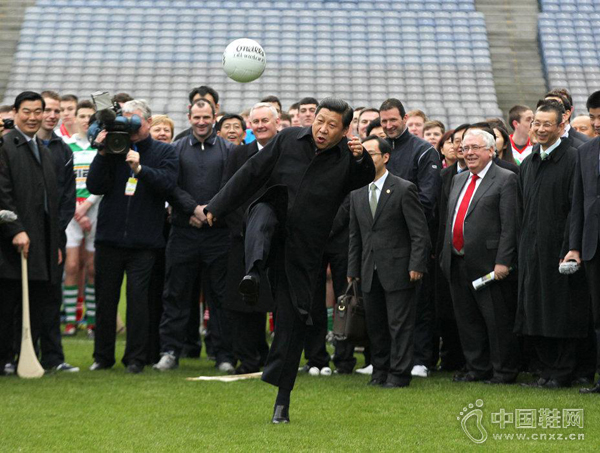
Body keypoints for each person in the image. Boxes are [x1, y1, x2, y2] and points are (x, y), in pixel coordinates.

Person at [205, 98, 375, 423]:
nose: (322, 129)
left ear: (345, 131)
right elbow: (251, 172)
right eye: (320, 121)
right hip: (271, 222)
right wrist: (217, 205)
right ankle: (254, 273)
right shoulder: (287, 139)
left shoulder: (347, 158)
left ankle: (281, 401)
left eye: (332, 125)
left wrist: (361, 156)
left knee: (294, 319)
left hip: (305, 246)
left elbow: (364, 177)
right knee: (263, 210)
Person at [87, 99, 178, 374]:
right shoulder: (114, 148)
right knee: (105, 301)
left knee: (139, 302)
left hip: (144, 241)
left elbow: (168, 184)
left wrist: (141, 170)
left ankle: (136, 358)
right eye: (125, 119)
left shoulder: (164, 151)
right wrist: (102, 153)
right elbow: (95, 185)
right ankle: (102, 357)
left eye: (134, 119)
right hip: (109, 238)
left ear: (148, 122)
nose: (130, 125)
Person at [154, 99, 235, 373]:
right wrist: (192, 209)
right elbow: (170, 185)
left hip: (218, 235)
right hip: (183, 233)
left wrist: (211, 211)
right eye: (196, 117)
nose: (201, 122)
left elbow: (231, 186)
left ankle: (222, 354)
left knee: (220, 296)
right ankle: (170, 351)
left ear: (215, 116)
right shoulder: (175, 148)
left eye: (206, 117)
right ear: (189, 117)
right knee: (175, 294)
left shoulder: (228, 149)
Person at [515, 100, 589, 388]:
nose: (541, 129)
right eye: (537, 123)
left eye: (548, 124)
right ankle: (545, 370)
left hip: (560, 251)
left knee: (562, 312)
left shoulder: (574, 158)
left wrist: (570, 247)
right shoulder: (530, 161)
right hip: (532, 250)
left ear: (561, 126)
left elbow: (576, 208)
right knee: (535, 310)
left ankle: (562, 371)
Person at [348, 135, 429, 388]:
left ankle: (399, 374)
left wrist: (416, 264)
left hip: (399, 270)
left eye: (371, 154)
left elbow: (419, 233)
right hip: (368, 270)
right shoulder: (357, 192)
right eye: (363, 154)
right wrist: (352, 269)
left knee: (399, 325)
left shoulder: (404, 188)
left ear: (385, 157)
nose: (366, 159)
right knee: (376, 326)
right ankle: (379, 371)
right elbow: (355, 236)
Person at [440, 129, 520, 384]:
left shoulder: (506, 179)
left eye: (475, 148)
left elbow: (510, 225)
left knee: (496, 321)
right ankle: (477, 369)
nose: (469, 153)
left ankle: (503, 371)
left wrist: (503, 261)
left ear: (491, 151)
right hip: (457, 262)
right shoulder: (458, 179)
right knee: (467, 320)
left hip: (489, 265)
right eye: (465, 148)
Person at [0, 92, 63, 374]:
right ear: (15, 113)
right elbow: (3, 192)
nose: (33, 117)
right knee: (7, 304)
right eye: (27, 111)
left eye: (38, 111)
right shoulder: (5, 146)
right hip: (10, 242)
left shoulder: (44, 150)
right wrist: (15, 229)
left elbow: (51, 202)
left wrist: (55, 243)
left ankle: (25, 355)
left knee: (36, 301)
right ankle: (4, 358)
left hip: (41, 241)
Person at [379, 98, 441, 378]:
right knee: (387, 302)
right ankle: (389, 358)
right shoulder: (380, 148)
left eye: (393, 120)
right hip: (382, 239)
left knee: (419, 300)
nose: (389, 125)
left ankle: (421, 359)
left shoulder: (424, 151)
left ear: (404, 119)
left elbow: (427, 200)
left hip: (413, 237)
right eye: (384, 121)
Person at [220, 102, 279, 375]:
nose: (260, 125)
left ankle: (275, 357)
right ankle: (248, 358)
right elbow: (228, 193)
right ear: (250, 126)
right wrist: (244, 230)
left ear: (277, 123)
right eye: (256, 121)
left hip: (278, 241)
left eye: (265, 120)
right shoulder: (239, 154)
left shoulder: (288, 152)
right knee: (242, 301)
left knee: (275, 300)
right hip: (242, 240)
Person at [36, 90, 78, 371]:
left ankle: (53, 358)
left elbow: (67, 198)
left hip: (54, 237)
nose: (52, 116)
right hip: (24, 236)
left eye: (56, 111)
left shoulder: (63, 150)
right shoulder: (16, 146)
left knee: (52, 297)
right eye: (47, 110)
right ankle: (16, 356)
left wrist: (56, 234)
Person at [565, 90, 600, 394]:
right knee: (598, 317)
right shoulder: (585, 152)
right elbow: (578, 203)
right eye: (593, 117)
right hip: (593, 247)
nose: (597, 123)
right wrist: (574, 246)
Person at [62, 100, 99, 337]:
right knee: (72, 265)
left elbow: (103, 181)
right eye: (82, 116)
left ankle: (92, 320)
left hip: (95, 211)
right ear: (74, 118)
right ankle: (70, 319)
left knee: (93, 268)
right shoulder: (67, 146)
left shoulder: (100, 147)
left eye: (90, 117)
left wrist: (87, 205)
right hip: (72, 213)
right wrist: (77, 210)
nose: (86, 120)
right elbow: (64, 181)